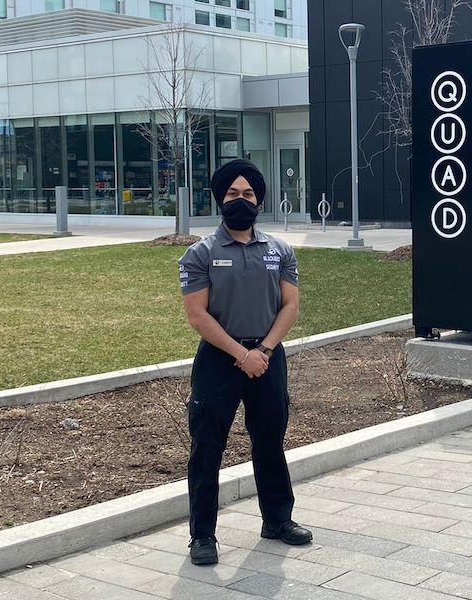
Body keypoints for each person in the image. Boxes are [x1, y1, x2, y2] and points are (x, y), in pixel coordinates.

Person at [179, 159, 312, 566]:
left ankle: (277, 520)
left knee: (270, 441)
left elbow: (289, 305)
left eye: (249, 194)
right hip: (220, 360)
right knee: (207, 448)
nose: (241, 200)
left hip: (268, 357)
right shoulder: (200, 253)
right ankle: (202, 536)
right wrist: (242, 354)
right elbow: (198, 315)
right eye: (233, 194)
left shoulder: (280, 249)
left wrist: (265, 351)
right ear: (221, 199)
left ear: (260, 200)